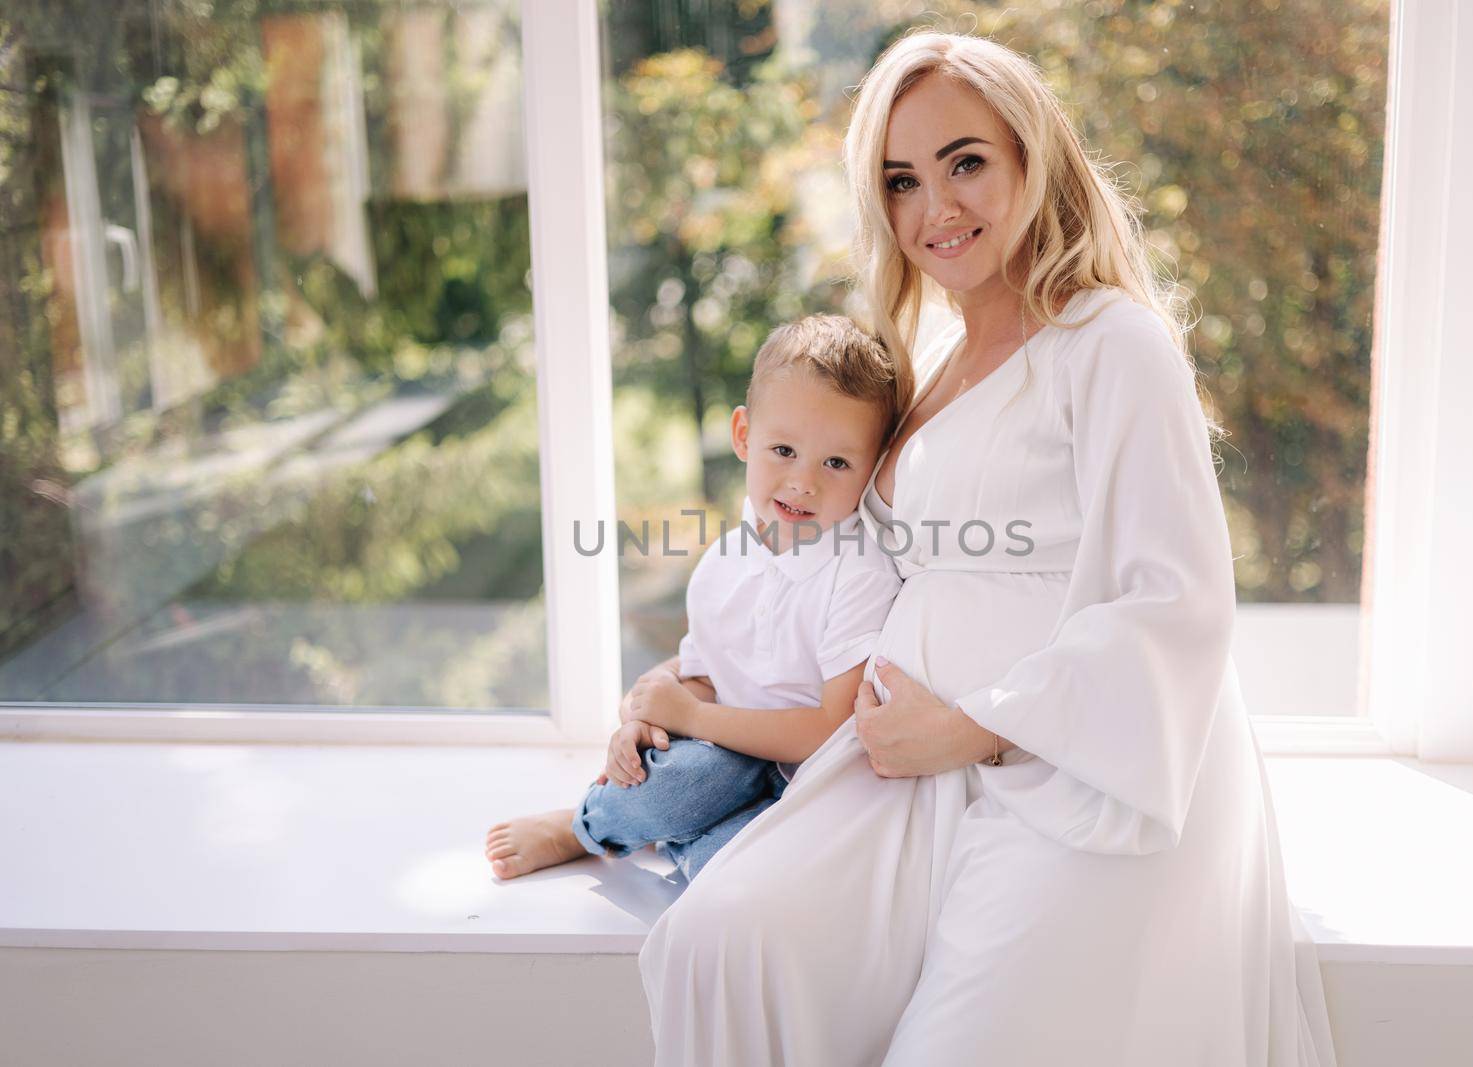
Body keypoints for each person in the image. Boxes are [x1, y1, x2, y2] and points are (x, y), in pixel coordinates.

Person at [636, 31, 1340, 1066]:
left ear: (1031, 158)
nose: (938, 208)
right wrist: (678, 680)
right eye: (902, 180)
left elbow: (1175, 599)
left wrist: (973, 727)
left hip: (1076, 766)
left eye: (965, 161)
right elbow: (826, 567)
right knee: (718, 941)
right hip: (901, 764)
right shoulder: (930, 362)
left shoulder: (1110, 342)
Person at [484, 314, 904, 882]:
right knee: (690, 780)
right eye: (783, 450)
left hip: (806, 778)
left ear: (873, 467)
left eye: (836, 462)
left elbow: (829, 727)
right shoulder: (722, 565)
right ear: (742, 436)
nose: (803, 483)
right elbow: (703, 674)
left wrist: (694, 716)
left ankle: (667, 837)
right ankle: (585, 827)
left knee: (735, 870)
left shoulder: (858, 572)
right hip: (720, 758)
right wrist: (650, 718)